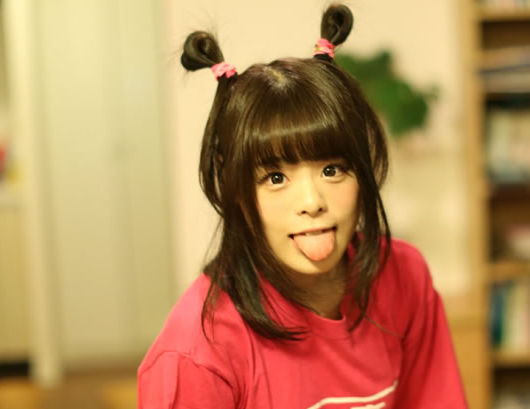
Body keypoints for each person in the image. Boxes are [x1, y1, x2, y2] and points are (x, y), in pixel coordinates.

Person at [138, 4, 468, 408]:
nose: (312, 202)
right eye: (276, 178)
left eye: (332, 170)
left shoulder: (404, 277)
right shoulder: (196, 353)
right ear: (237, 190)